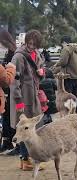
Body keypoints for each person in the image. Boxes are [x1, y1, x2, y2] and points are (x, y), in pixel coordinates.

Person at [10, 30, 45, 170]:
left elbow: (41, 70)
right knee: (23, 128)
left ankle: (28, 159)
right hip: (23, 98)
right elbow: (14, 80)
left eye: (34, 44)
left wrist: (41, 73)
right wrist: (19, 101)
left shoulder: (37, 55)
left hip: (34, 96)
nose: (31, 46)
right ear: (26, 41)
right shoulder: (18, 57)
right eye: (30, 43)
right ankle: (25, 159)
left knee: (30, 128)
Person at [54, 36, 77, 114]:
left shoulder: (66, 49)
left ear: (64, 42)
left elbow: (63, 62)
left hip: (69, 75)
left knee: (68, 96)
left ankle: (69, 116)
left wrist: (56, 65)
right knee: (76, 96)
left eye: (62, 44)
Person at [0, 29, 17, 153]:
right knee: (5, 116)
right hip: (5, 89)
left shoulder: (14, 53)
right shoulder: (7, 53)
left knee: (12, 116)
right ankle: (6, 141)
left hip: (14, 89)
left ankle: (14, 143)